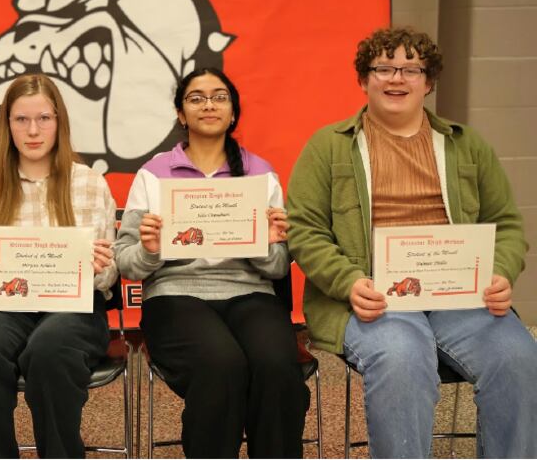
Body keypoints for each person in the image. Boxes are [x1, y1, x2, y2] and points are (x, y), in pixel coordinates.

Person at [286, 26, 537, 458]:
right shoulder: (327, 147)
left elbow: (507, 224)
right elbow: (304, 229)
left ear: (429, 81)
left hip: (461, 295)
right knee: (402, 358)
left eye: (410, 69)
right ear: (364, 80)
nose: (396, 78)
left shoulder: (466, 145)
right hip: (370, 296)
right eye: (383, 68)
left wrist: (499, 271)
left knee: (518, 357)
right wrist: (348, 282)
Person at [114, 68, 309, 458]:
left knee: (276, 366)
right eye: (196, 98)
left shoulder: (260, 173)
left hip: (250, 292)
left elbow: (275, 268)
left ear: (233, 112)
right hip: (174, 297)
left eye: (219, 97)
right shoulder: (153, 175)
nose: (209, 105)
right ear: (181, 114)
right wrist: (151, 249)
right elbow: (126, 263)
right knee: (222, 364)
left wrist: (264, 244)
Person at [0, 73, 118, 458]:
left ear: (60, 122)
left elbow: (108, 276)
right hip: (7, 308)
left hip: (75, 308)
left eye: (44, 118)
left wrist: (98, 266)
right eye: (21, 120)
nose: (33, 130)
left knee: (49, 350)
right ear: (6, 126)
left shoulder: (90, 184)